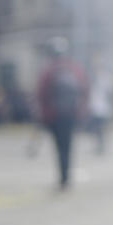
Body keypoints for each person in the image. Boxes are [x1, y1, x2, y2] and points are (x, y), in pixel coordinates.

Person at [37, 36, 88, 188]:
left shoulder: (49, 70)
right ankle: (67, 175)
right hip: (71, 114)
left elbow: (41, 94)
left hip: (55, 116)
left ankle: (63, 177)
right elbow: (85, 90)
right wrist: (81, 112)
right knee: (69, 146)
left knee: (60, 148)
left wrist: (45, 115)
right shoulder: (75, 68)